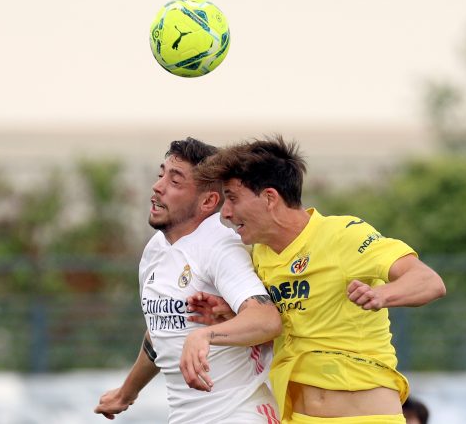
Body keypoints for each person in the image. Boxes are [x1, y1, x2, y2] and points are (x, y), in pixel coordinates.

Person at [187, 135, 446, 424]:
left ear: (270, 198)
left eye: (233, 198)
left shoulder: (342, 235)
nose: (226, 212)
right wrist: (229, 315)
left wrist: (382, 295)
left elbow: (428, 282)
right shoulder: (258, 255)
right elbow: (277, 329)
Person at [94, 138, 283, 423]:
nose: (158, 187)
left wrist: (204, 335)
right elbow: (160, 335)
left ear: (208, 201)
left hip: (241, 415)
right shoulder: (156, 249)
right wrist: (126, 393)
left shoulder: (220, 247)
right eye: (161, 175)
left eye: (175, 181)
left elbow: (267, 319)